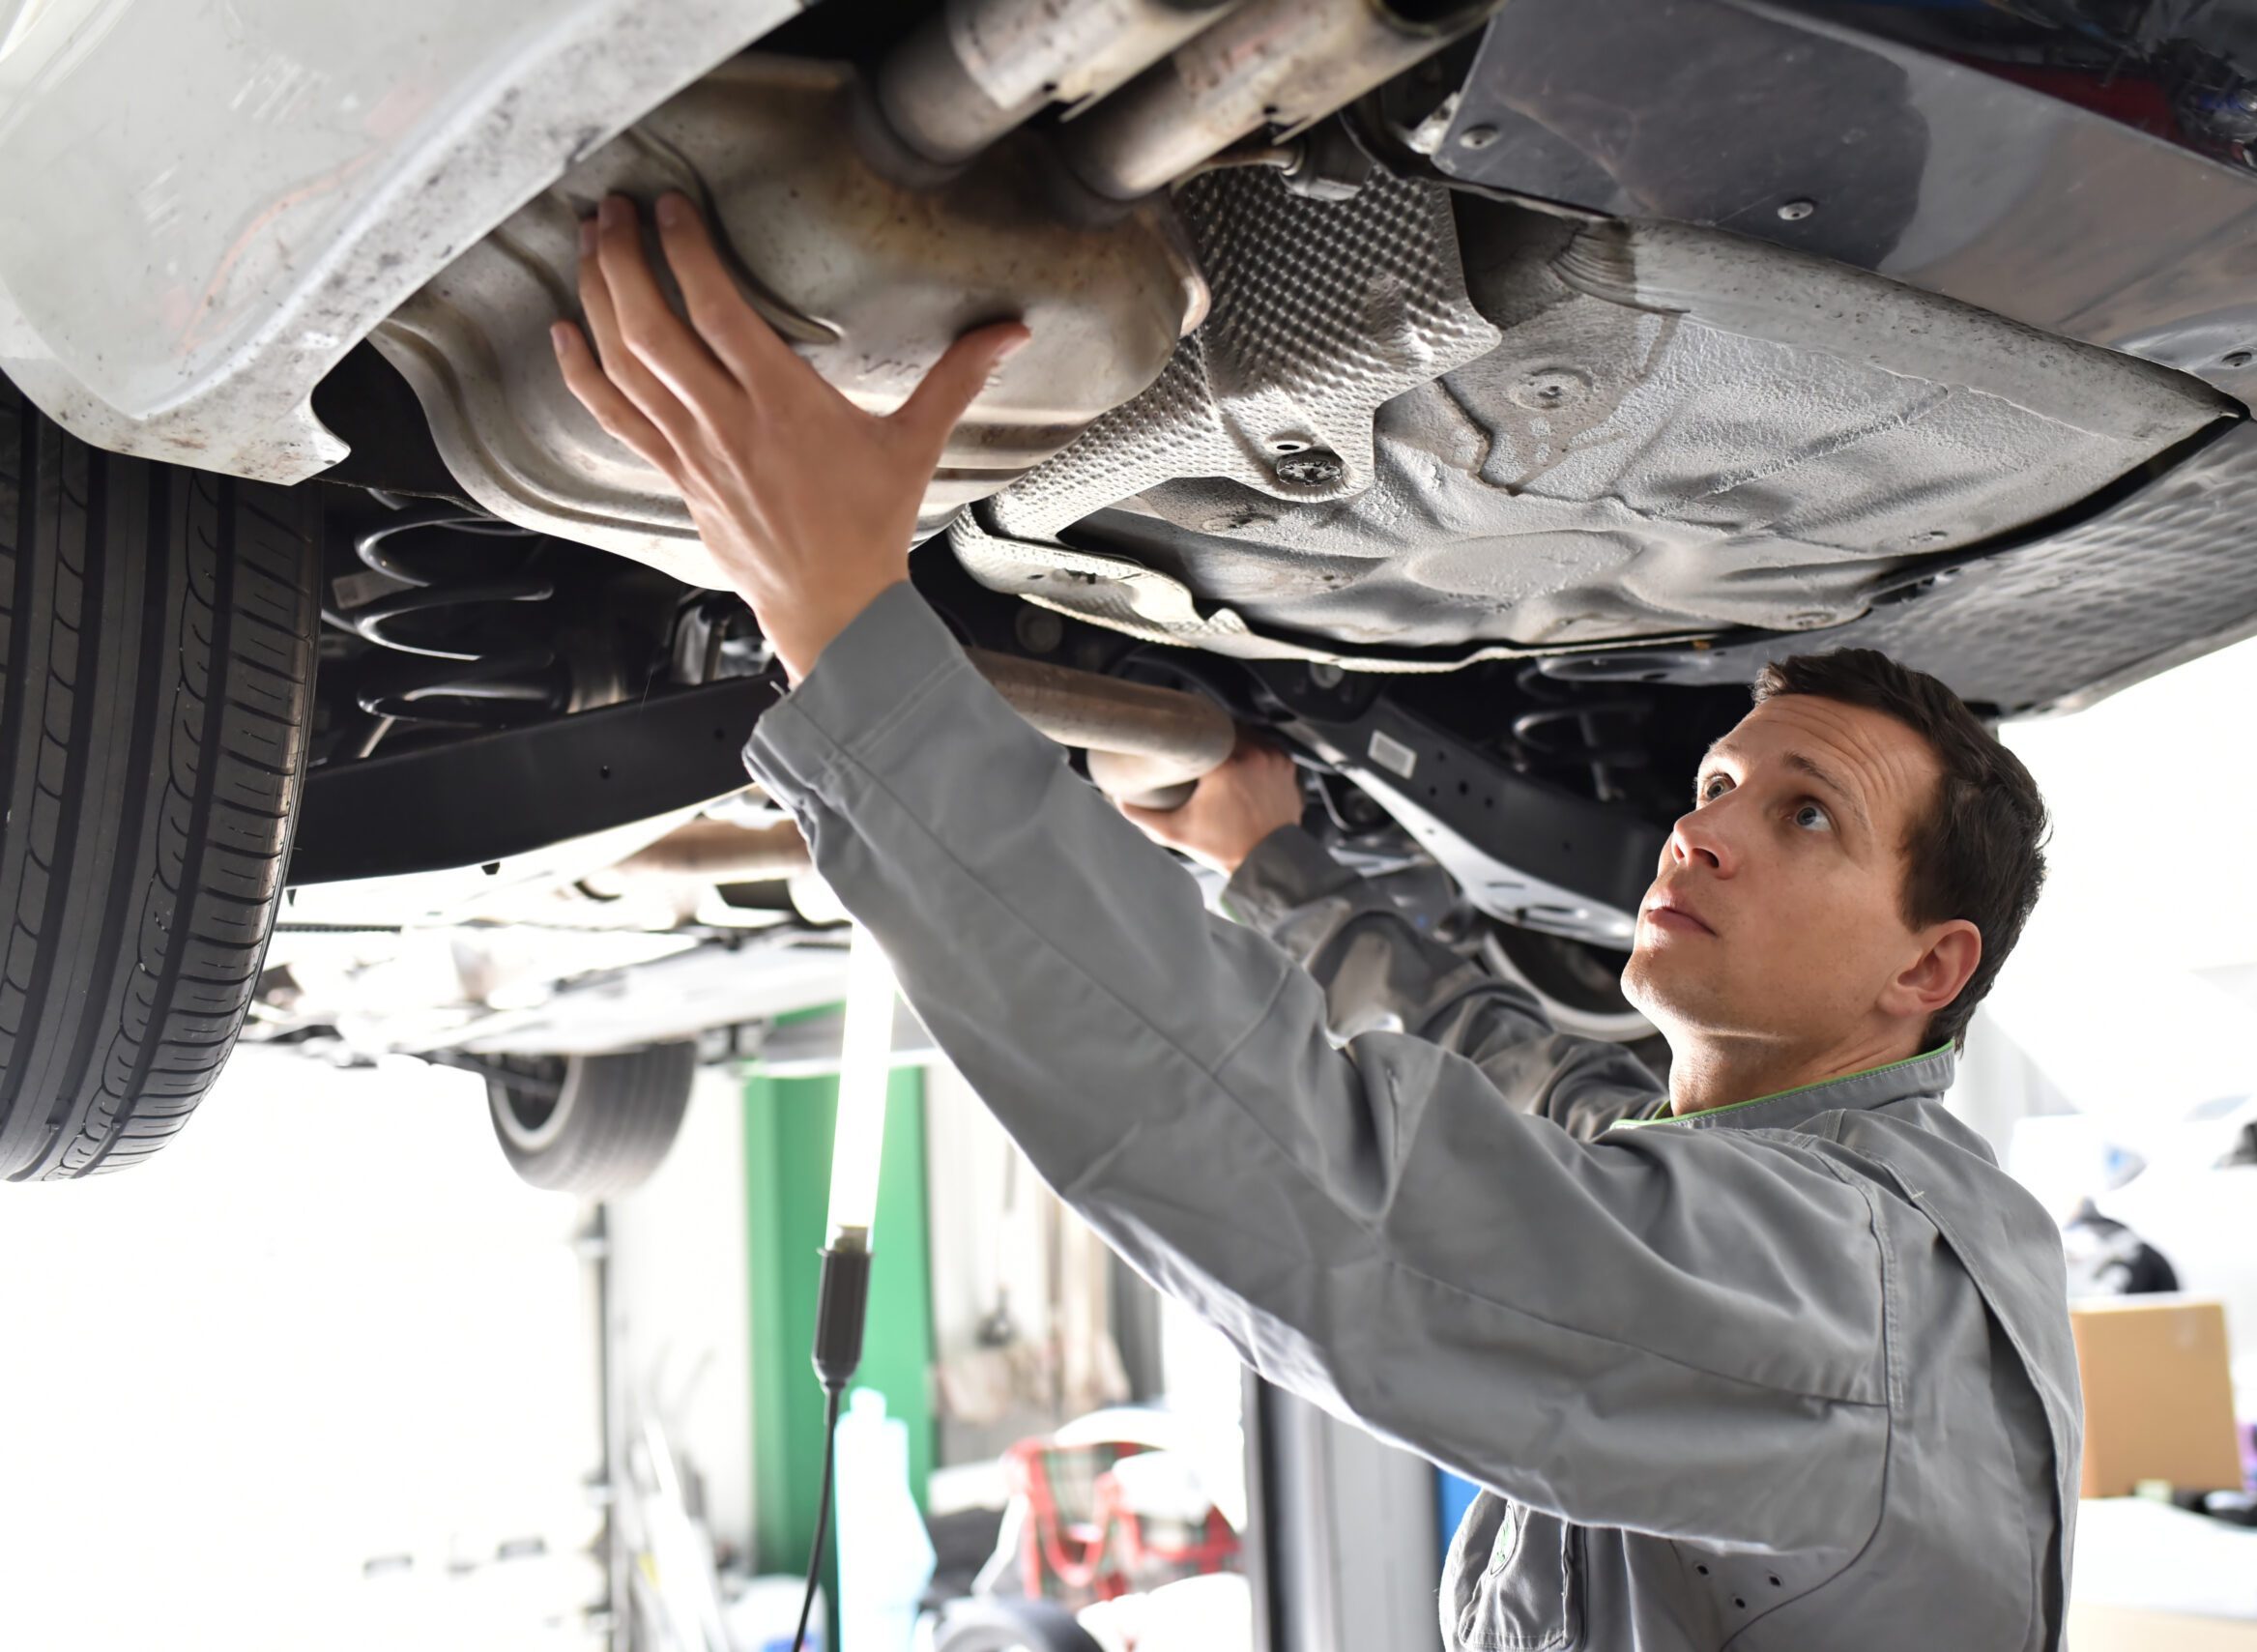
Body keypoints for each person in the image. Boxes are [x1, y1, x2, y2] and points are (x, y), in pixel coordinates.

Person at [553, 192, 2083, 1651]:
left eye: (1802, 813)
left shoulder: (1844, 1297)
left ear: (1927, 966)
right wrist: (1275, 866)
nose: (1704, 825)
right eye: (1720, 778)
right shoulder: (1825, 1200)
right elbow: (1510, 1082)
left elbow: (1341, 1199)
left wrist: (847, 627)